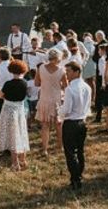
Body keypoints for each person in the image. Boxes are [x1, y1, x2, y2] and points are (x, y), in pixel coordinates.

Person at [60, 61, 92, 190]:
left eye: (68, 71)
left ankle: (75, 178)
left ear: (76, 72)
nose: (66, 74)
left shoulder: (70, 88)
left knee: (70, 152)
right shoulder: (86, 87)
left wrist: (59, 111)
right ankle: (79, 175)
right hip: (82, 122)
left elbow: (67, 109)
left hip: (71, 122)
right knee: (80, 150)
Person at [0, 59, 31, 170]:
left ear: (11, 70)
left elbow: (1, 95)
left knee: (12, 136)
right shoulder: (25, 83)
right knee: (21, 132)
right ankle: (23, 159)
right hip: (20, 109)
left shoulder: (8, 84)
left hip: (9, 109)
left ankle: (15, 163)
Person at [34, 48, 65, 154]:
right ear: (58, 58)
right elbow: (66, 86)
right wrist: (58, 85)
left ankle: (45, 149)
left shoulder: (41, 67)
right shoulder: (62, 70)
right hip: (56, 99)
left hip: (44, 98)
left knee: (45, 125)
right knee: (59, 124)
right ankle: (60, 146)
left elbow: (36, 83)